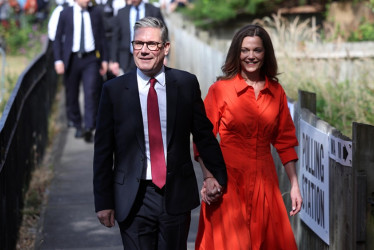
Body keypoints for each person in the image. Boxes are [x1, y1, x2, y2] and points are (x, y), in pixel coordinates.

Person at [93, 16, 227, 249]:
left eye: (151, 44)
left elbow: (203, 134)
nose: (144, 50)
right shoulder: (114, 90)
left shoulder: (185, 84)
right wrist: (103, 201)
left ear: (165, 48)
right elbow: (103, 151)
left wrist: (214, 175)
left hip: (175, 194)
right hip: (132, 197)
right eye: (138, 44)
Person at [195, 24, 303, 250]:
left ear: (266, 54)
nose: (251, 56)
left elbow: (285, 142)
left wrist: (294, 185)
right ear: (237, 53)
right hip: (228, 183)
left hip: (266, 184)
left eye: (257, 50)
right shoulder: (220, 90)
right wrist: (208, 177)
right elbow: (202, 140)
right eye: (245, 50)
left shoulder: (276, 92)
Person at [53, 0, 108, 142]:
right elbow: (58, 38)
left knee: (91, 92)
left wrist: (104, 59)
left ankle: (89, 126)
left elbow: (102, 37)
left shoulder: (95, 12)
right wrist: (58, 60)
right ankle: (77, 124)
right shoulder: (65, 14)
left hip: (91, 59)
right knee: (72, 93)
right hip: (72, 59)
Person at [109, 0, 164, 76]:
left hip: (148, 57)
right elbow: (115, 38)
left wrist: (164, 56)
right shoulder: (122, 12)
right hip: (126, 60)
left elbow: (163, 34)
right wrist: (114, 61)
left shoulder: (153, 11)